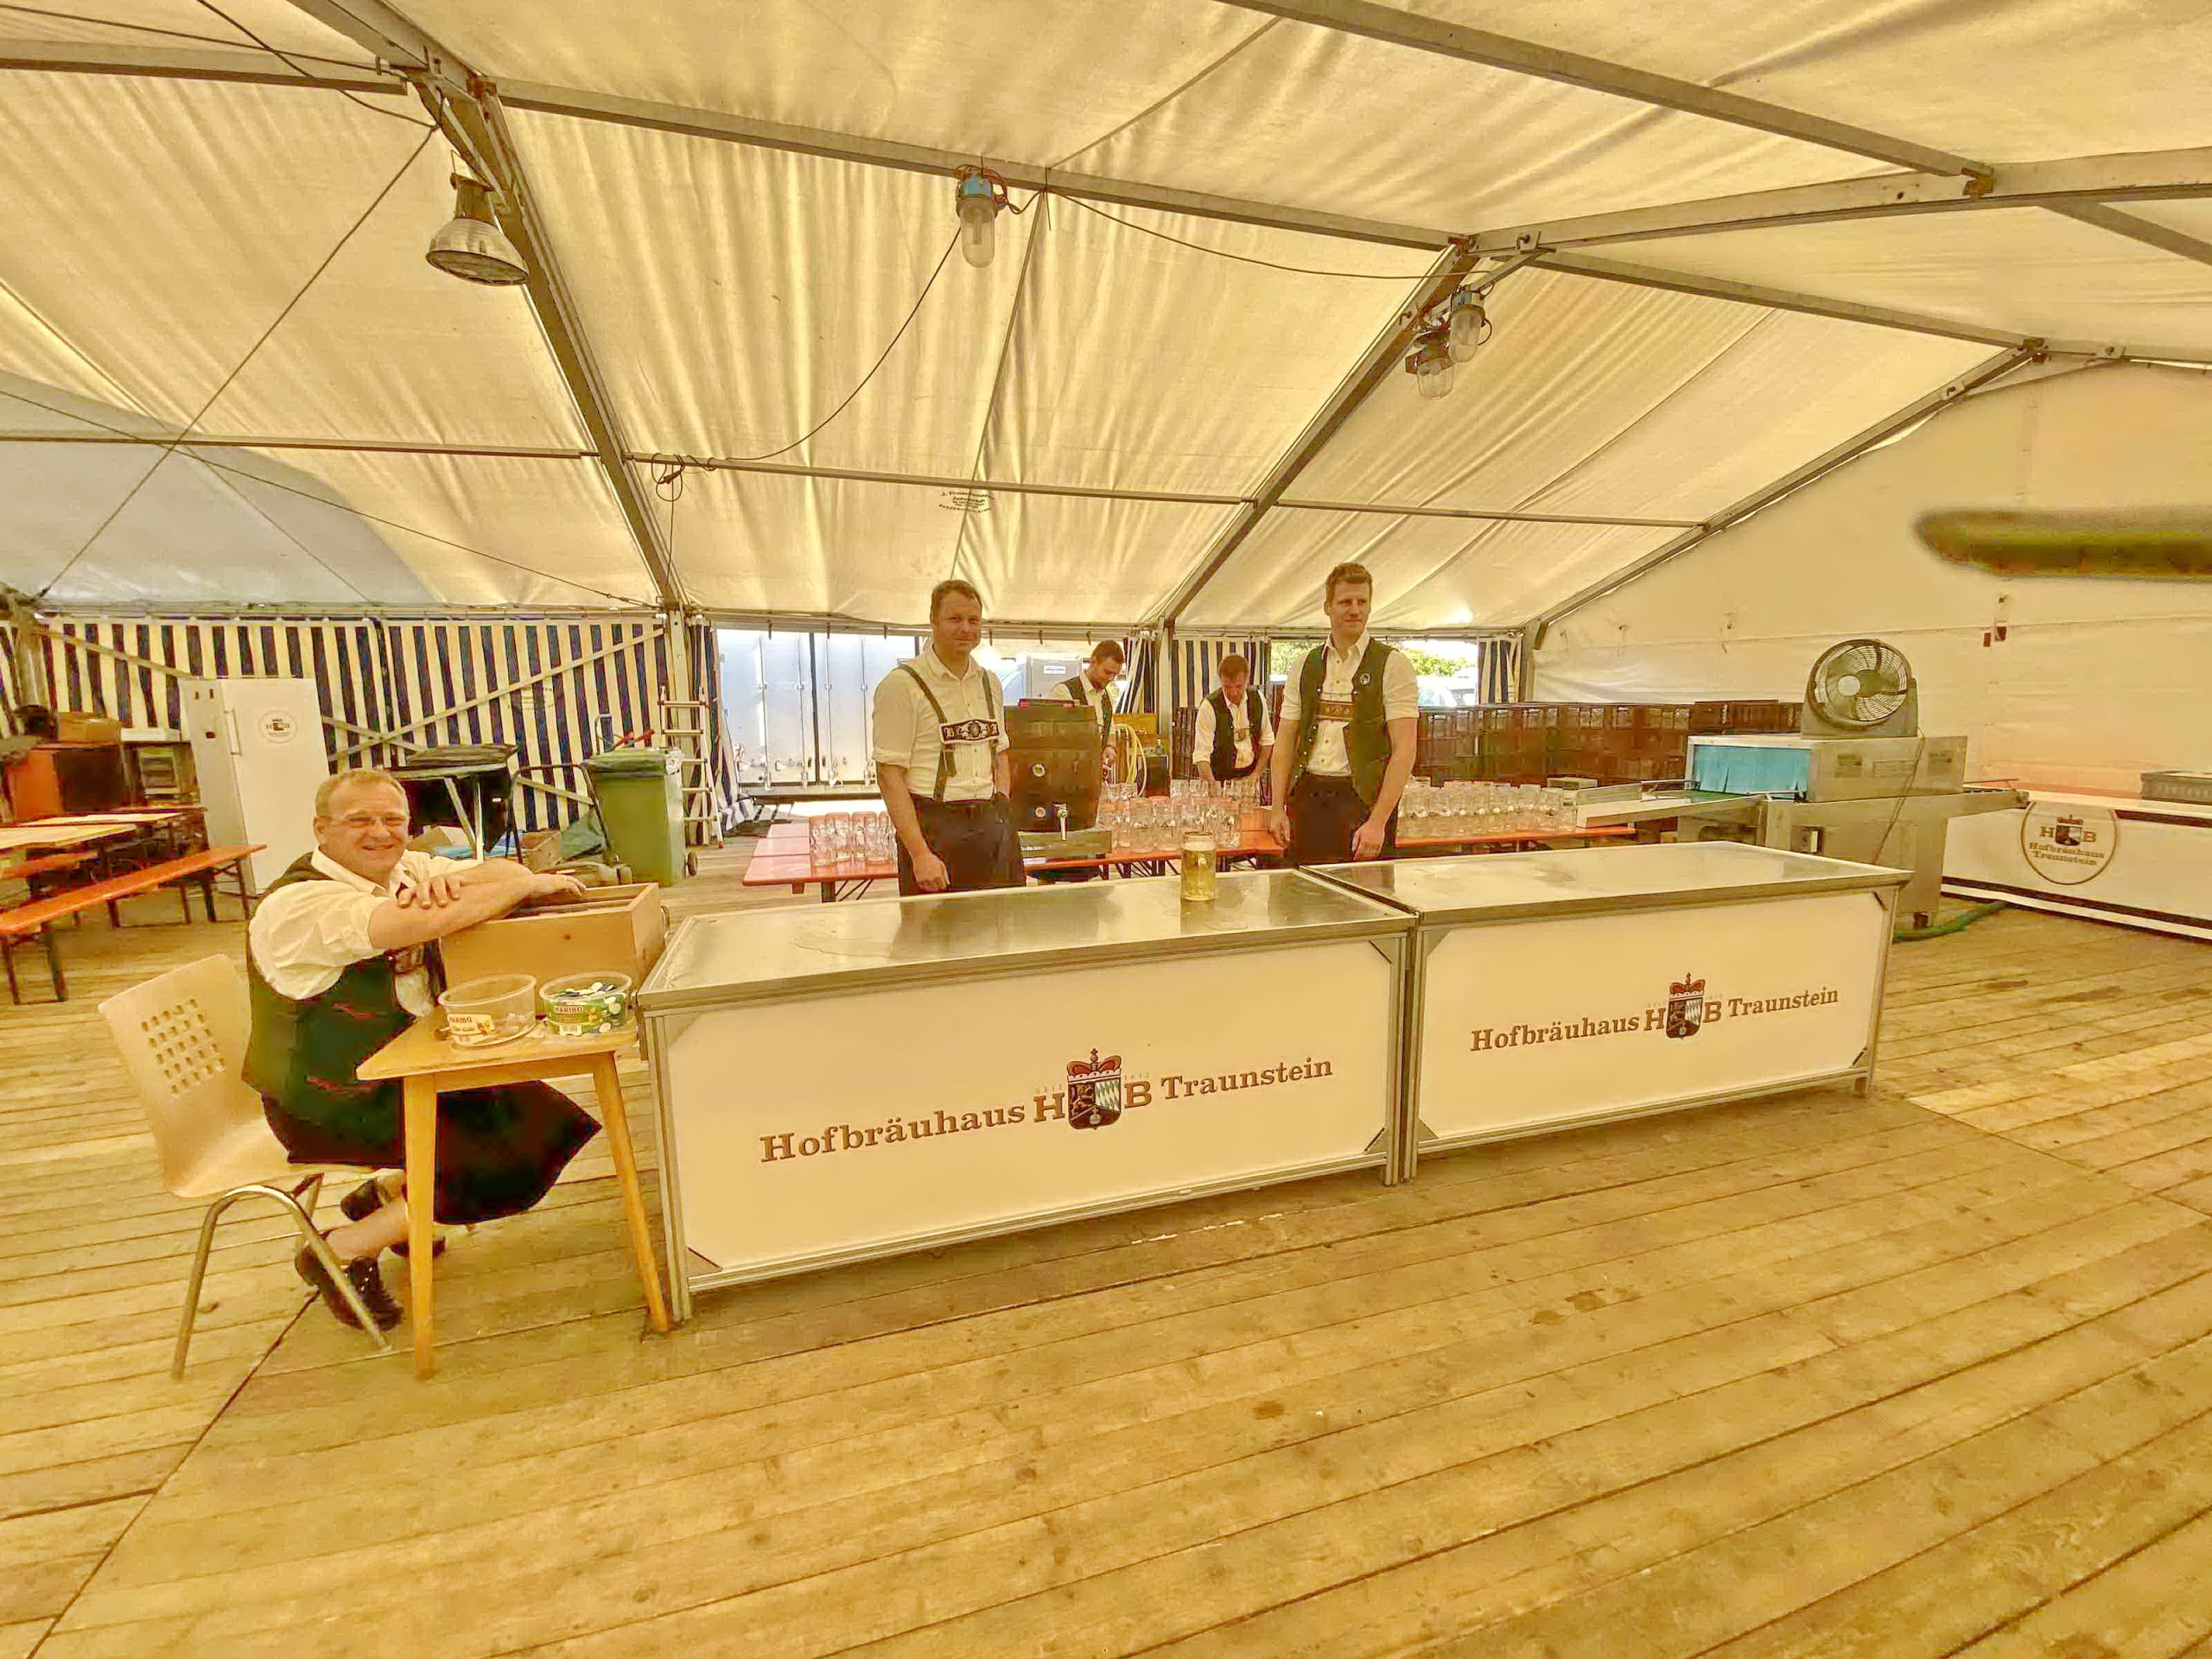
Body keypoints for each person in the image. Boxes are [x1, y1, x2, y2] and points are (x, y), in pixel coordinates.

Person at [245, 768, 601, 1331]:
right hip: (326, 1098)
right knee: (502, 1162)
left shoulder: (404, 869)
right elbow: (416, 920)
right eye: (359, 820)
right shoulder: (298, 904)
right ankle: (339, 1251)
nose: (380, 833)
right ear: (321, 829)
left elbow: (503, 869)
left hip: (401, 1068)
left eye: (393, 820)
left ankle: (389, 1196)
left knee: (545, 1120)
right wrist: (515, 889)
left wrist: (507, 881)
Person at [872, 578, 1026, 895]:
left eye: (973, 620)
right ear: (933, 620)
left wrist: (1002, 806)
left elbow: (1000, 752)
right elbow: (889, 775)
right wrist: (919, 853)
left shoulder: (990, 682)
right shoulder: (902, 685)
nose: (966, 629)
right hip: (934, 828)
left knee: (1003, 922)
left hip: (991, 822)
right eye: (955, 619)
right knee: (936, 927)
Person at [1268, 562, 1419, 865]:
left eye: (1362, 602)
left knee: (1365, 893)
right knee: (1302, 890)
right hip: (1307, 797)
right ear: (1328, 607)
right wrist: (1277, 809)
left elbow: (1405, 750)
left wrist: (1378, 822)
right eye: (1346, 602)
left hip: (1362, 803)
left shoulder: (1393, 665)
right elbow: (1284, 742)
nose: (1355, 610)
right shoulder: (1304, 665)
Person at [1194, 652, 1274, 785]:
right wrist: (1213, 785)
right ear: (1221, 681)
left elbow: (1267, 741)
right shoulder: (1209, 707)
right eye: (1227, 687)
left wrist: (1256, 774)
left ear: (1247, 680)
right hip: (1218, 779)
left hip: (1250, 776)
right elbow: (1201, 755)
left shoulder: (1258, 699)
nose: (1233, 692)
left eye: (1239, 686)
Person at [1052, 641, 1124, 753]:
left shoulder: (1105, 697)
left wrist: (1109, 747)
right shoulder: (1064, 692)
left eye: (1115, 675)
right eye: (1107, 672)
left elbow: (1110, 731)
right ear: (1093, 662)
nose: (1111, 679)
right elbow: (1058, 738)